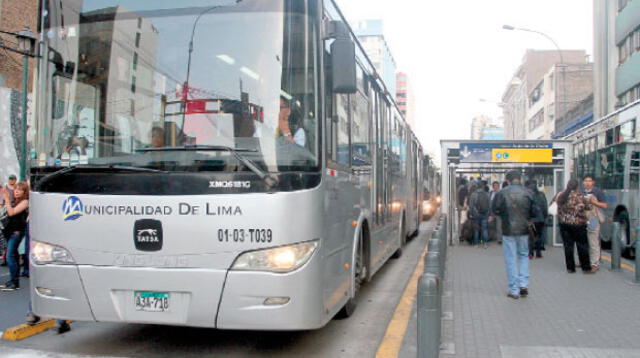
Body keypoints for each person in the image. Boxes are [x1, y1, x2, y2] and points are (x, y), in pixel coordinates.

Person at [492, 170, 536, 299]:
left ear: (507, 181)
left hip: (508, 230)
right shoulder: (528, 192)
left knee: (510, 258)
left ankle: (514, 289)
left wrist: (504, 216)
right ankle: (524, 284)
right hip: (524, 230)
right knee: (523, 255)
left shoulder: (501, 193)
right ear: (520, 179)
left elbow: (495, 209)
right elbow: (535, 211)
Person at [556, 179, 594, 274]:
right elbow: (589, 207)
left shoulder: (562, 196)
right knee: (582, 246)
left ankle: (570, 268)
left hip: (565, 224)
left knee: (568, 246)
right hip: (579, 225)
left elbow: (558, 207)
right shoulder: (581, 197)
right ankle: (586, 267)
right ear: (577, 187)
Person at [0, 181, 29, 291]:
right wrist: (6, 199)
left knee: (9, 256)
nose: (16, 191)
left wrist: (7, 199)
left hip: (16, 232)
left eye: (20, 190)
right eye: (16, 189)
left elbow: (11, 212)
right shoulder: (14, 200)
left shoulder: (25, 202)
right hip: (8, 231)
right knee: (14, 256)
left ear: (24, 192)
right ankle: (14, 280)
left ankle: (15, 282)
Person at [581, 175, 608, 272]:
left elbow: (605, 205)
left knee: (593, 242)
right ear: (583, 182)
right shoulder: (581, 192)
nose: (587, 183)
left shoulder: (598, 192)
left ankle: (594, 264)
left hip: (594, 218)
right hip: (582, 219)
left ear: (593, 182)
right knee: (583, 242)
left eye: (589, 181)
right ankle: (585, 261)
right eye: (585, 181)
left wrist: (594, 202)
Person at [526, 180, 548, 259]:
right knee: (539, 235)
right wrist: (545, 216)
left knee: (530, 236)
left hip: (530, 219)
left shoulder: (527, 195)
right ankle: (538, 252)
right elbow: (545, 207)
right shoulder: (541, 194)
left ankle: (530, 253)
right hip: (540, 219)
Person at [469, 183, 491, 248]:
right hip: (485, 214)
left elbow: (471, 205)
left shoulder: (473, 194)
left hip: (476, 214)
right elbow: (490, 205)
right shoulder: (487, 194)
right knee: (485, 229)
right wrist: (489, 214)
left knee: (476, 229)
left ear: (477, 187)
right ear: (483, 187)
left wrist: (471, 213)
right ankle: (485, 244)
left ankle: (476, 244)